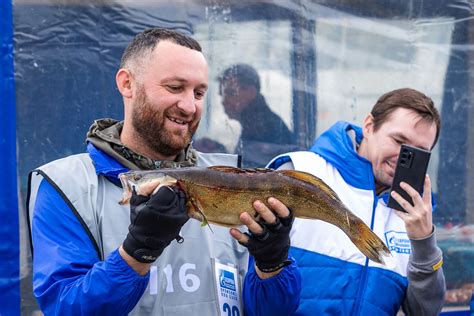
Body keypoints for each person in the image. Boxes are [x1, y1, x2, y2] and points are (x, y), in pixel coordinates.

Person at [27, 28, 301, 315]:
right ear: (127, 84)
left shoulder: (230, 181)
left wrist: (272, 266)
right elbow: (64, 307)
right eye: (174, 87)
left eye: (199, 92)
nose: (188, 105)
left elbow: (272, 310)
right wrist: (136, 254)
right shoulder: (67, 186)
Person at [268, 88, 446, 315]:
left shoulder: (414, 215)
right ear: (369, 126)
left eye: (418, 152)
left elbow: (425, 311)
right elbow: (247, 269)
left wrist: (424, 242)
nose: (402, 157)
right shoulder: (300, 171)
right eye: (399, 140)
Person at [218, 63, 297, 167]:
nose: (224, 101)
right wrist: (219, 149)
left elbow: (251, 169)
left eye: (231, 93)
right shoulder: (257, 121)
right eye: (222, 94)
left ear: (251, 92)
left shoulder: (263, 127)